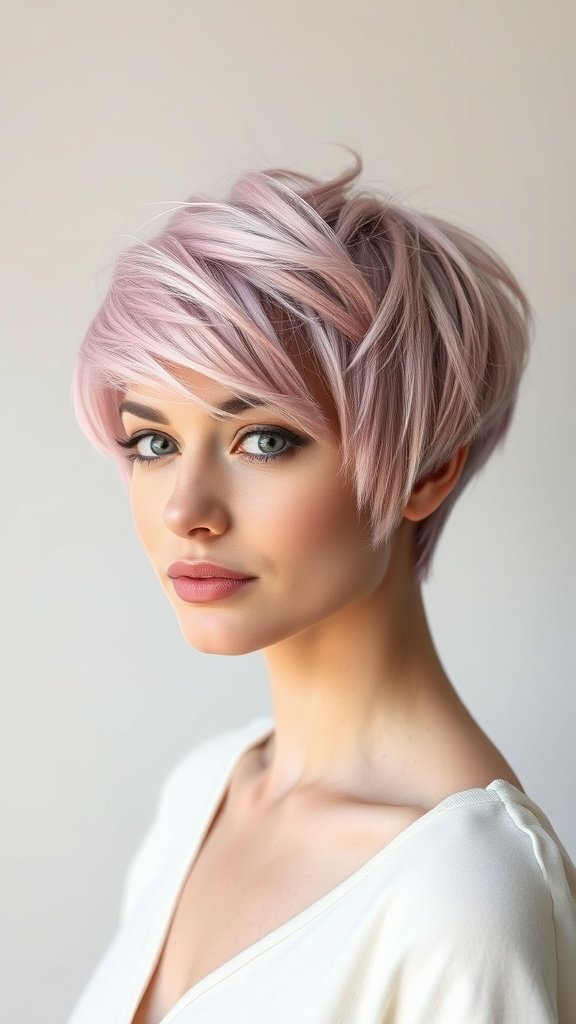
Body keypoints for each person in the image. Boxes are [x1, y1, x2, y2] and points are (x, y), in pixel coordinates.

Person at [67, 147, 576, 1024]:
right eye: (153, 442)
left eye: (264, 440)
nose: (185, 508)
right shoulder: (203, 791)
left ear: (427, 471)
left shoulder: (467, 894)